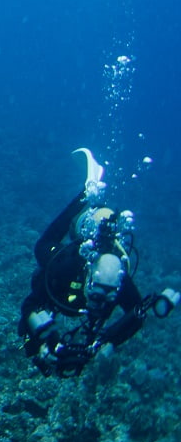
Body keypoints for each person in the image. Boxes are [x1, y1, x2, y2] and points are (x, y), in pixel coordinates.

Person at [18, 148, 178, 377]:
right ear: (88, 276)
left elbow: (136, 311)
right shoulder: (66, 267)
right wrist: (45, 338)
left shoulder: (119, 283)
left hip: (104, 256)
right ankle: (87, 190)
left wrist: (107, 342)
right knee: (43, 246)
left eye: (108, 296)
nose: (98, 303)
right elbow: (30, 305)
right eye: (96, 295)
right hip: (73, 254)